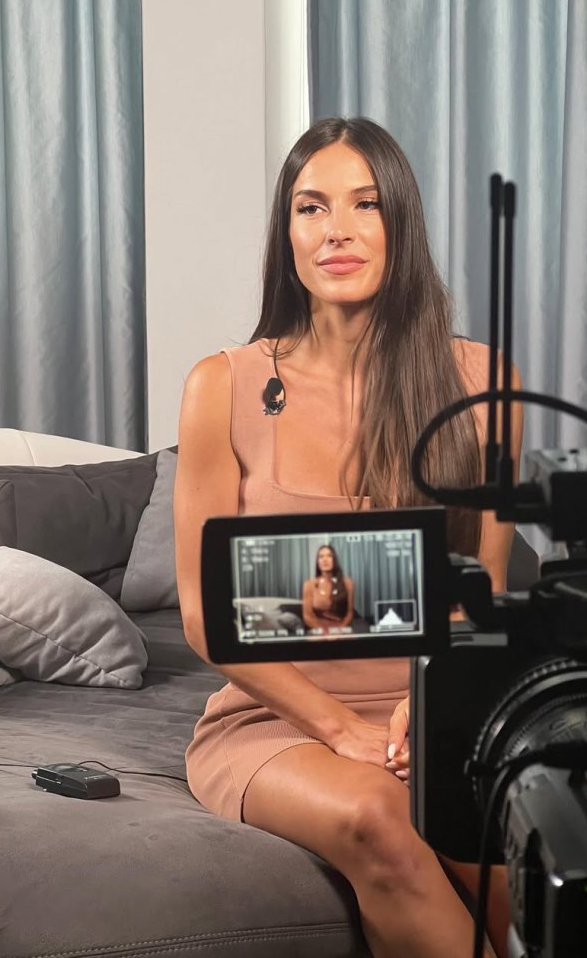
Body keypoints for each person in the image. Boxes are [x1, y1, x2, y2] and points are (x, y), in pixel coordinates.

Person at [174, 116, 523, 958]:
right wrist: (341, 729)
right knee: (379, 814)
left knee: (517, 851)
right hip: (276, 719)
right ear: (287, 233)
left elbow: (484, 588)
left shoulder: (483, 383)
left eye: (365, 204)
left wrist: (423, 708)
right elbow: (205, 616)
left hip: (433, 708)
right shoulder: (222, 386)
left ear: (400, 223)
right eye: (311, 207)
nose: (337, 229)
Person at [302, 544, 355, 632]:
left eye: (329, 556)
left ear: (334, 560)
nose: (325, 560)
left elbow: (350, 613)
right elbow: (308, 616)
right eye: (321, 557)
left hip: (341, 628)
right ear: (317, 562)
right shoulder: (309, 584)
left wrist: (339, 630)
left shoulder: (348, 583)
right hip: (318, 629)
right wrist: (324, 632)